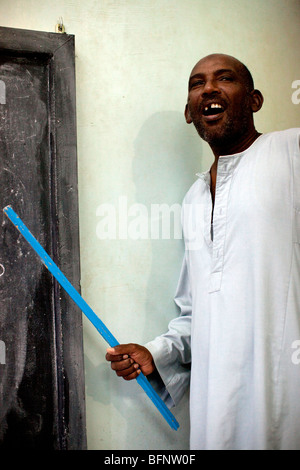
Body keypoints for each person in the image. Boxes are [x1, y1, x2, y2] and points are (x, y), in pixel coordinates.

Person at [106, 53, 300, 450]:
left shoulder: (291, 151)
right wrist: (155, 354)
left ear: (254, 100)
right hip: (217, 416)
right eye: (197, 84)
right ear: (189, 112)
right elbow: (198, 313)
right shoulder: (194, 201)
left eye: (224, 78)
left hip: (286, 404)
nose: (208, 88)